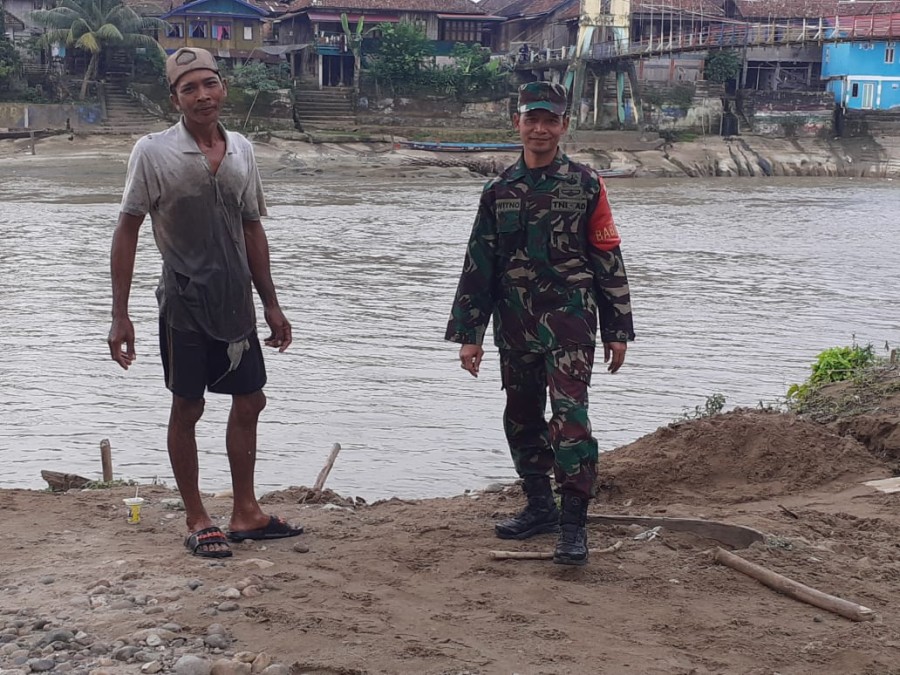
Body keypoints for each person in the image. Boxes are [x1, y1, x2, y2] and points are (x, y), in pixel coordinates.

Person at [108, 47, 303, 559]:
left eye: (209, 84)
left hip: (236, 300)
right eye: (189, 88)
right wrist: (119, 313)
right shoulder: (152, 152)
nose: (202, 95)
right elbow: (127, 229)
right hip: (184, 302)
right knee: (187, 405)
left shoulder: (240, 148)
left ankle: (246, 512)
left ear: (223, 88)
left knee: (251, 399)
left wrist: (272, 304)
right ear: (174, 98)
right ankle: (197, 517)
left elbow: (252, 227)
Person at [445, 81, 635, 566]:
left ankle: (574, 526)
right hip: (514, 323)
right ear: (518, 123)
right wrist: (469, 335)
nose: (540, 129)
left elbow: (607, 256)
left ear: (563, 126)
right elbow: (479, 265)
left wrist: (618, 328)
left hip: (571, 320)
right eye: (532, 119)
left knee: (571, 419)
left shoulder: (586, 184)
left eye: (550, 120)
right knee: (522, 415)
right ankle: (539, 507)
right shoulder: (498, 191)